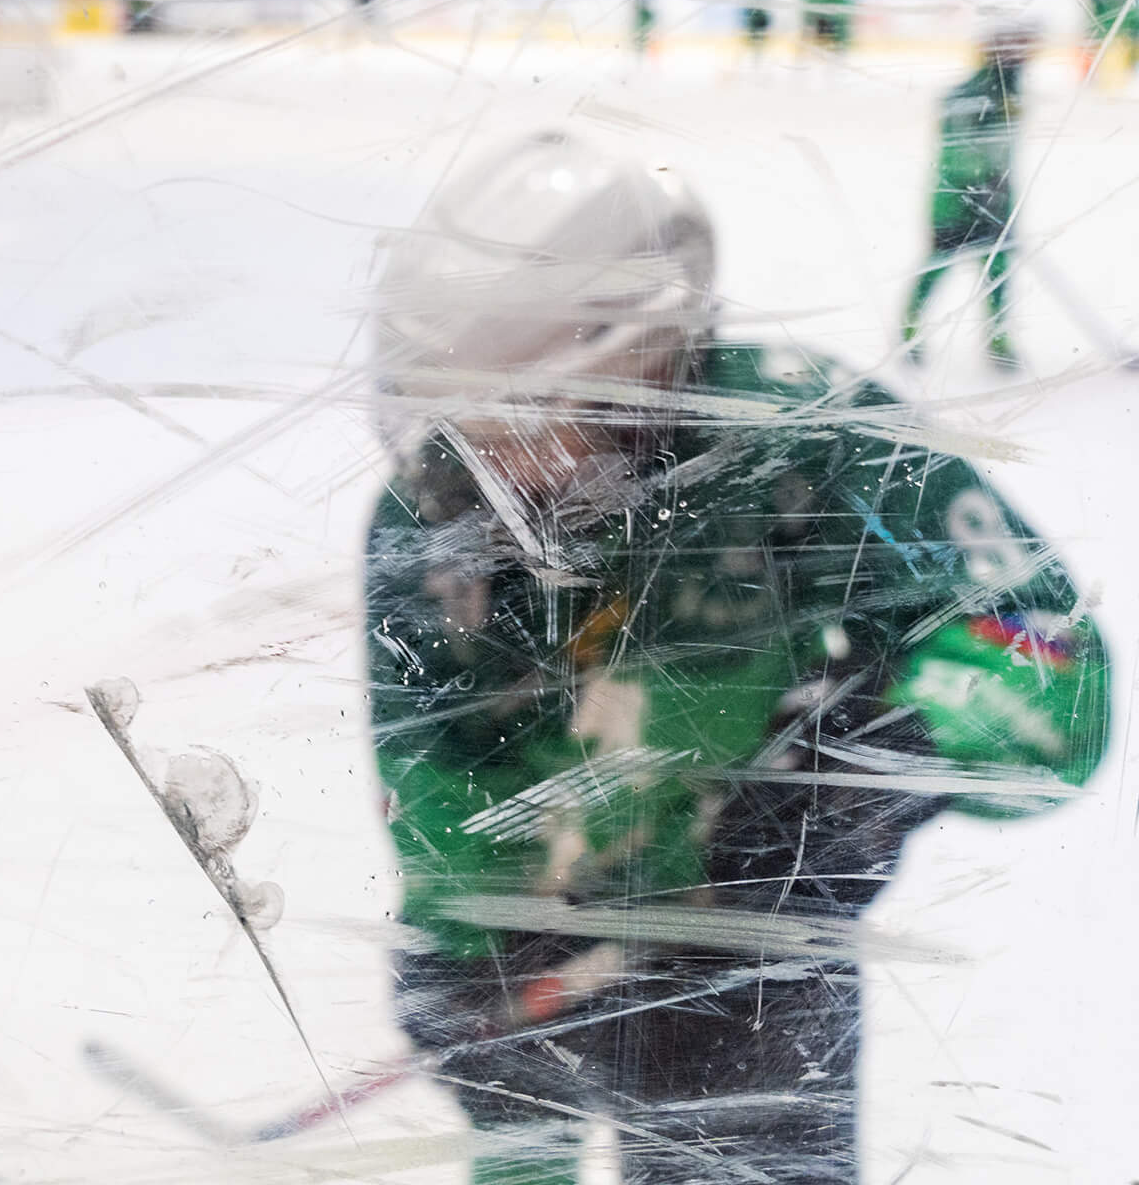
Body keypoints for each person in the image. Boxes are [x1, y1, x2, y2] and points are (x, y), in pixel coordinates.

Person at [365, 131, 1109, 1185]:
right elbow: (436, 779)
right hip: (561, 965)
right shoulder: (432, 516)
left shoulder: (798, 440)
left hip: (754, 970)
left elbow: (1051, 662)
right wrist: (465, 965)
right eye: (456, 415)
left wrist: (879, 761)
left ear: (644, 367)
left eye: (518, 419)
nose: (484, 462)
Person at [901, 18, 1032, 369]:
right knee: (939, 267)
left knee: (999, 273)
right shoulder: (967, 96)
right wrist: (978, 187)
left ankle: (998, 338)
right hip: (957, 202)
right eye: (1016, 49)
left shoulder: (1009, 95)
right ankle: (909, 329)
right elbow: (957, 149)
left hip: (996, 201)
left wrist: (1001, 193)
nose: (1024, 58)